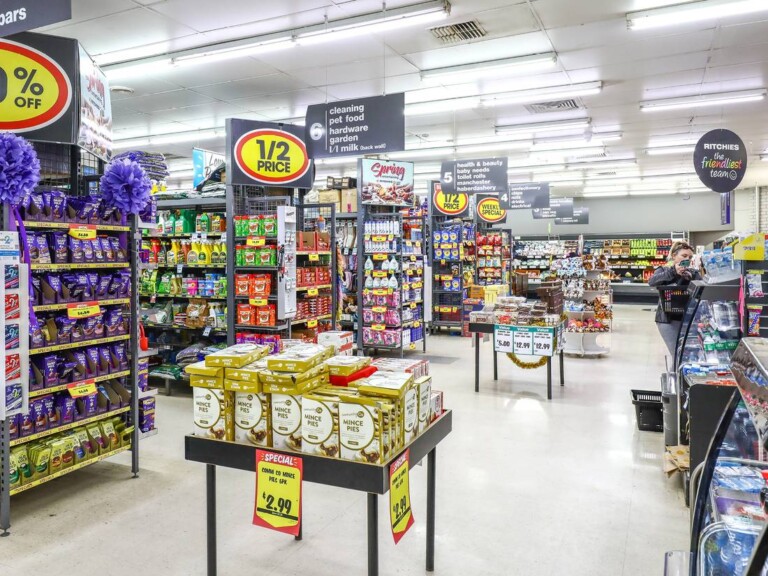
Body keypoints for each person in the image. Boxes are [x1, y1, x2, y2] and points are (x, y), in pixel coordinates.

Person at [648, 241, 700, 358]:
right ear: (674, 256)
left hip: (688, 318)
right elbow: (651, 281)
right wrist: (673, 272)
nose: (687, 259)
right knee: (677, 354)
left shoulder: (692, 272)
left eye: (690, 257)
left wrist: (692, 278)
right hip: (667, 319)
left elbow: (702, 287)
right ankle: (675, 370)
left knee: (687, 354)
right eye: (684, 256)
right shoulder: (663, 270)